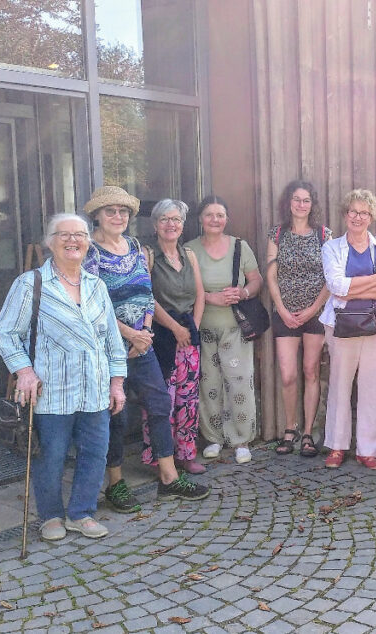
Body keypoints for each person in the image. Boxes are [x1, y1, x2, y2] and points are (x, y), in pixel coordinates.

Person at [0, 214, 126, 540]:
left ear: (88, 242)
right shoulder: (31, 284)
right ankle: (51, 515)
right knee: (50, 456)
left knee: (95, 453)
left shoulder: (97, 286)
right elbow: (5, 332)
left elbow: (112, 340)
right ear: (50, 242)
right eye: (64, 235)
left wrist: (117, 382)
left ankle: (81, 513)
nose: (73, 241)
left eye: (79, 235)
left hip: (95, 389)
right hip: (52, 391)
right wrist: (24, 371)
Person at [83, 186, 209, 513]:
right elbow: (94, 306)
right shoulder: (90, 253)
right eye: (110, 211)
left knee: (159, 404)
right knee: (117, 416)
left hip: (143, 346)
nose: (117, 217)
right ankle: (115, 482)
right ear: (97, 215)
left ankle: (168, 477)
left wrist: (147, 330)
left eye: (123, 212)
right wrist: (129, 334)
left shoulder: (136, 247)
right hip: (110, 351)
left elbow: (146, 293)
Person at [320, 189, 376, 469]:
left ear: (372, 216)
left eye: (364, 212)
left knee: (373, 386)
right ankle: (337, 447)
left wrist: (354, 288)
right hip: (343, 324)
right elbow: (336, 288)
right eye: (353, 211)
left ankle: (368, 449)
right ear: (345, 214)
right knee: (340, 384)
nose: (357, 217)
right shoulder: (332, 247)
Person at [186, 195, 264, 465]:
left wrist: (242, 292)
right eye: (209, 215)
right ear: (200, 219)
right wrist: (209, 297)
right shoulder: (189, 250)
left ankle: (241, 439)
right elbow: (183, 289)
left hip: (235, 329)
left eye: (220, 215)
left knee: (239, 381)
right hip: (203, 329)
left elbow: (256, 280)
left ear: (226, 219)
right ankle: (213, 438)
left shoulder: (240, 247)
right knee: (209, 385)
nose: (215, 220)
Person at [266, 180, 332, 458]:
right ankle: (289, 429)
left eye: (306, 200)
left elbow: (332, 277)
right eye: (296, 199)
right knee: (288, 374)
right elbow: (270, 273)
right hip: (284, 313)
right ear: (288, 202)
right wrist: (281, 308)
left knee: (310, 371)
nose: (301, 204)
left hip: (315, 313)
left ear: (312, 204)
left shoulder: (324, 235)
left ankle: (307, 433)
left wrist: (312, 309)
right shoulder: (277, 233)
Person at [143, 199, 206, 474]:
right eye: (165, 219)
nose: (171, 224)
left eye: (176, 220)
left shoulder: (189, 254)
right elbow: (147, 298)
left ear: (183, 225)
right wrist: (175, 329)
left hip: (187, 336)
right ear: (156, 225)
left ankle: (186, 454)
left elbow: (200, 294)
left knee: (188, 398)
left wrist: (193, 327)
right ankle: (160, 458)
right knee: (161, 401)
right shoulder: (148, 255)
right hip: (160, 338)